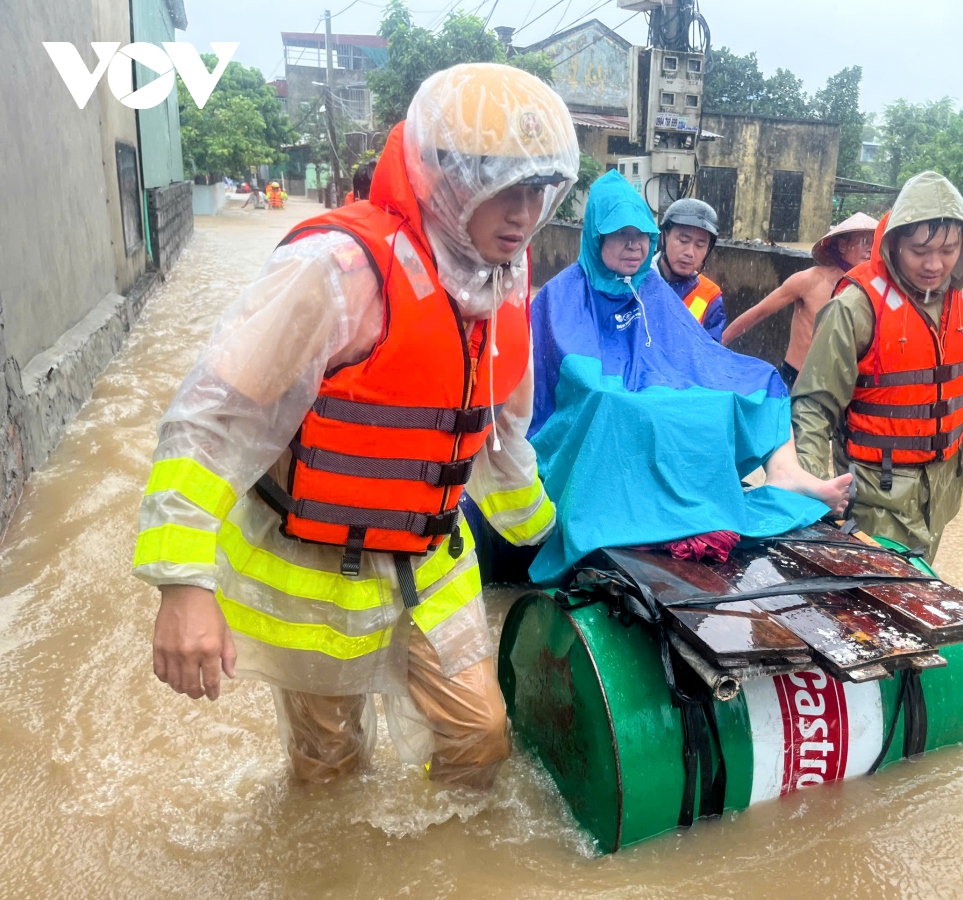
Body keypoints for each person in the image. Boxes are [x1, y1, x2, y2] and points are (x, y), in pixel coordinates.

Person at [132, 64, 579, 788]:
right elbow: (212, 419)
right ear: (446, 177)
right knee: (328, 767)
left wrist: (547, 535)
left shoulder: (507, 281)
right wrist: (180, 581)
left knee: (481, 734)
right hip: (315, 573)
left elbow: (497, 438)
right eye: (503, 185)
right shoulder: (337, 271)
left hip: (431, 562)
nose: (523, 212)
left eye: (537, 189)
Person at [524, 171, 852, 583]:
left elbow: (695, 353)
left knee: (758, 379)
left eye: (641, 234)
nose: (634, 245)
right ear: (596, 237)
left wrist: (673, 382)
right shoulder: (563, 291)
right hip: (594, 397)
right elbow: (567, 370)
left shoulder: (652, 288)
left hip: (654, 382)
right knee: (618, 406)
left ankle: (785, 471)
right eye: (621, 234)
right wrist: (622, 385)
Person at [791, 172, 963, 561]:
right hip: (874, 493)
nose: (935, 264)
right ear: (895, 243)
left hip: (943, 486)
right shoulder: (855, 306)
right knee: (868, 600)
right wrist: (810, 489)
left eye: (948, 249)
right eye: (919, 251)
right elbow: (815, 405)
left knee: (921, 591)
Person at [722, 212, 878, 389]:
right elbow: (758, 313)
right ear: (842, 246)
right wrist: (718, 345)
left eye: (875, 243)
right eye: (864, 241)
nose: (870, 249)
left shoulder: (874, 290)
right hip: (794, 380)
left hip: (839, 386)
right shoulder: (809, 281)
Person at [655, 198, 725, 341]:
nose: (690, 253)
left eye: (700, 245)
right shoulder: (634, 281)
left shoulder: (710, 297)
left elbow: (711, 354)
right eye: (683, 240)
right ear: (664, 237)